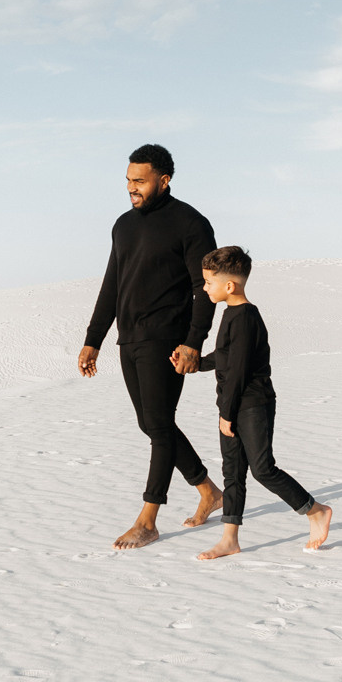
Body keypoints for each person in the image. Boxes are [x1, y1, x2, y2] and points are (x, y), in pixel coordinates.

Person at [77, 144, 222, 550]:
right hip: (130, 337)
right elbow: (113, 283)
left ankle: (148, 519)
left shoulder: (190, 223)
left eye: (139, 181)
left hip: (167, 339)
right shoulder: (123, 225)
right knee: (151, 424)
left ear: (164, 180)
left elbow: (204, 288)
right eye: (128, 180)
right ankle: (209, 491)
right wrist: (93, 339)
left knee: (159, 424)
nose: (131, 188)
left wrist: (193, 342)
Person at [192, 246, 332, 560]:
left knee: (263, 469)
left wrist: (227, 413)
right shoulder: (231, 313)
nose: (205, 288)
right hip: (232, 405)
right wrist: (196, 364)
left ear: (230, 286)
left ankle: (316, 511)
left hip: (252, 405)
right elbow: (226, 357)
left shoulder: (245, 318)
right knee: (232, 472)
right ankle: (229, 539)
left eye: (209, 282)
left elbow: (239, 371)